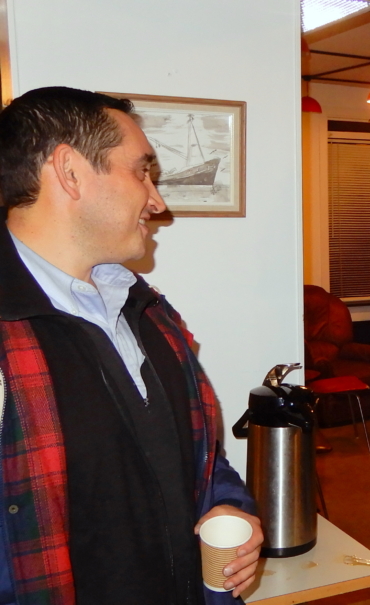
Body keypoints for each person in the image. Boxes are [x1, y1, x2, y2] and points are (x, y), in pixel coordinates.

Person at [0, 87, 262, 603]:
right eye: (141, 172)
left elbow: (200, 460)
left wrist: (230, 507)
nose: (158, 202)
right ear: (70, 171)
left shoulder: (149, 311)